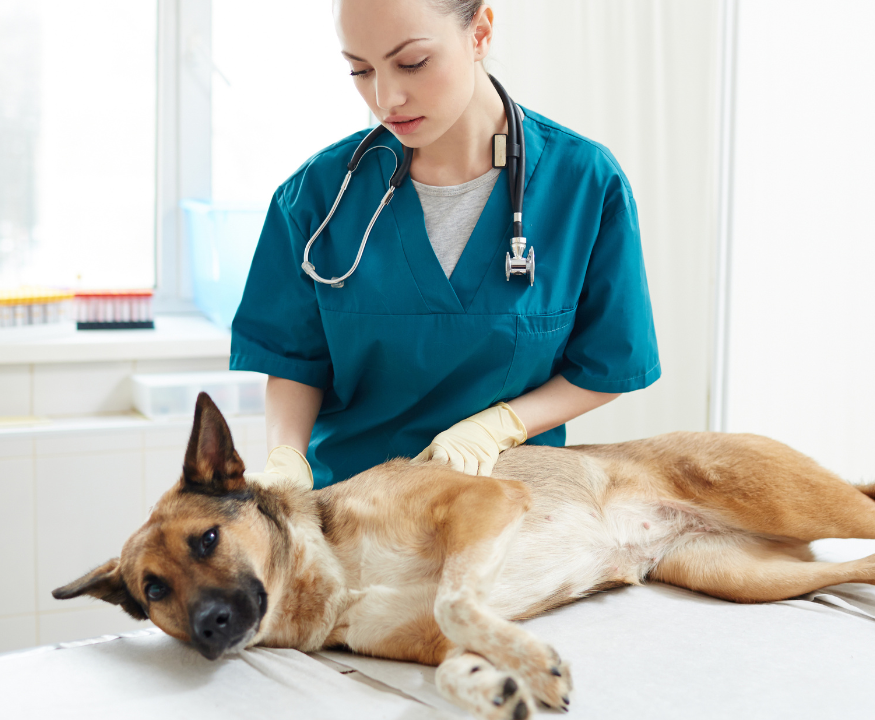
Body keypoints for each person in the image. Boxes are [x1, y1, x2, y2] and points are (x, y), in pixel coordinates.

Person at [231, 0, 659, 489]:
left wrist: (499, 427)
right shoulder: (316, 198)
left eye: (412, 63)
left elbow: (607, 363)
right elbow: (294, 362)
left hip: (510, 507)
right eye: (360, 70)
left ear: (479, 33)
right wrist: (286, 458)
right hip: (353, 511)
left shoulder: (583, 184)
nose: (385, 97)